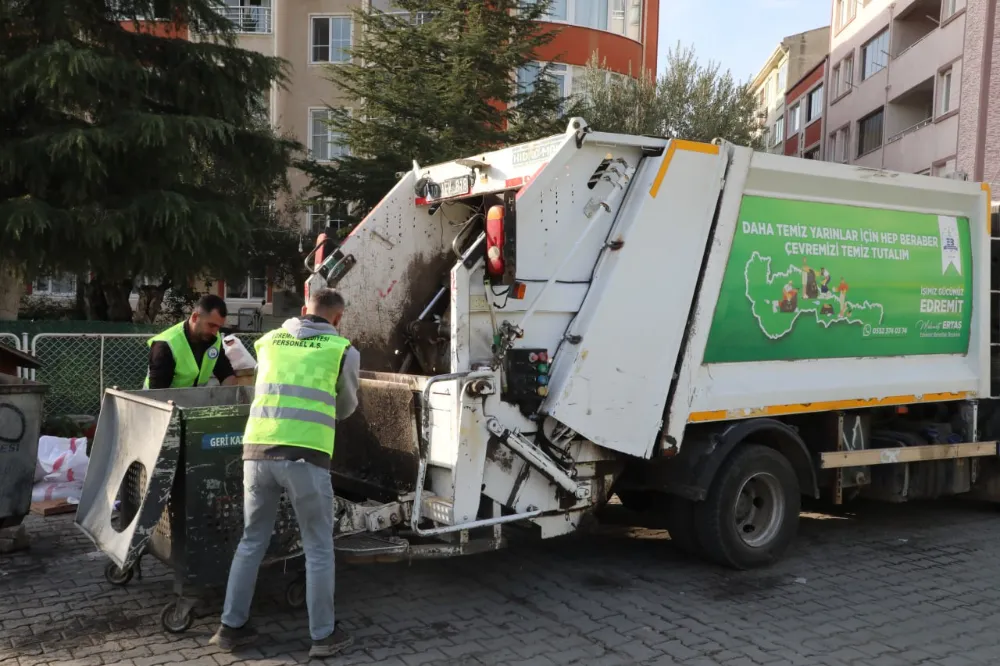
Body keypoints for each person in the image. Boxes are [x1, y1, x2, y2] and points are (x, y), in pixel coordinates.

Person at [210, 288, 361, 658]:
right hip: (305, 456)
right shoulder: (342, 350)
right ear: (338, 317)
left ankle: (231, 628)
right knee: (318, 547)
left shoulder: (268, 341)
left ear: (305, 309)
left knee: (251, 541)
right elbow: (346, 406)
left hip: (257, 452)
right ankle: (323, 636)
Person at [144, 294, 237, 389]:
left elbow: (226, 374)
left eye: (218, 327)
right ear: (195, 317)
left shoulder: (214, 339)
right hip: (159, 397)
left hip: (194, 397)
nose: (215, 332)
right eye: (211, 325)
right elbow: (157, 393)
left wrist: (228, 394)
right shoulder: (166, 345)